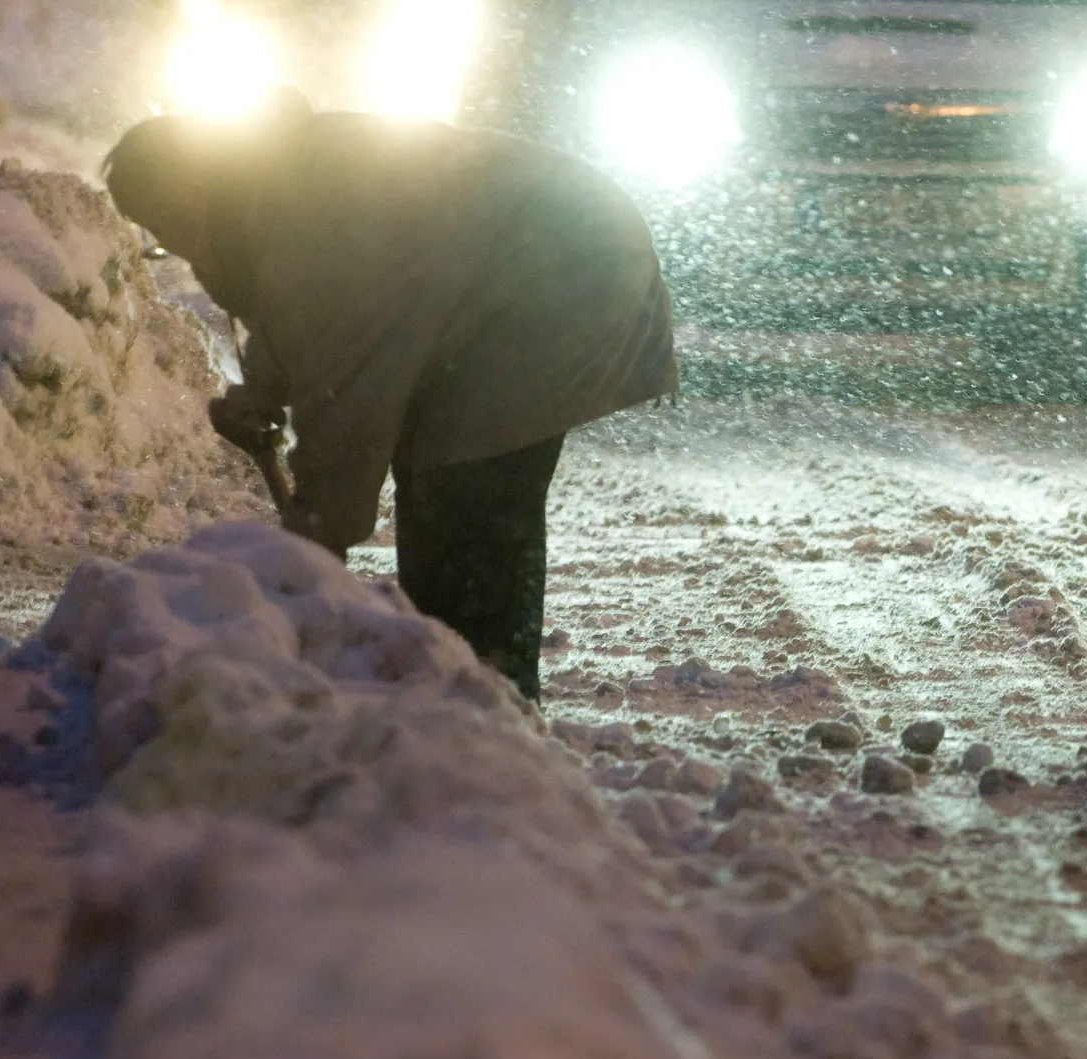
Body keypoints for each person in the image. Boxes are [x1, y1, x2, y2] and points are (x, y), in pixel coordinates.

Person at [104, 97, 676, 701]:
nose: (181, 249)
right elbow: (310, 318)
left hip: (566, 268)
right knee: (439, 485)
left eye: (168, 227)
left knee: (467, 489)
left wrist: (311, 543)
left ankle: (487, 700)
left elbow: (347, 401)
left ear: (190, 192)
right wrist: (264, 390)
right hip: (530, 265)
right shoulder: (268, 193)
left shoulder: (305, 213)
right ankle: (451, 690)